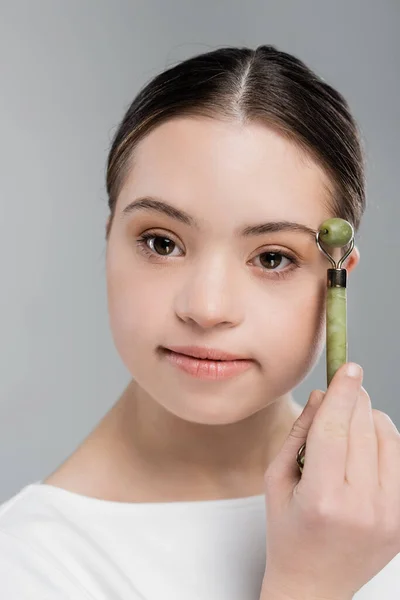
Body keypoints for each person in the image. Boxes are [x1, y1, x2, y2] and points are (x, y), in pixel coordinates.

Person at [1, 44, 399, 599]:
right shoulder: (27, 565)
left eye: (272, 257)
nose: (207, 308)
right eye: (162, 243)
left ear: (337, 274)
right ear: (110, 235)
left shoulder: (385, 517)